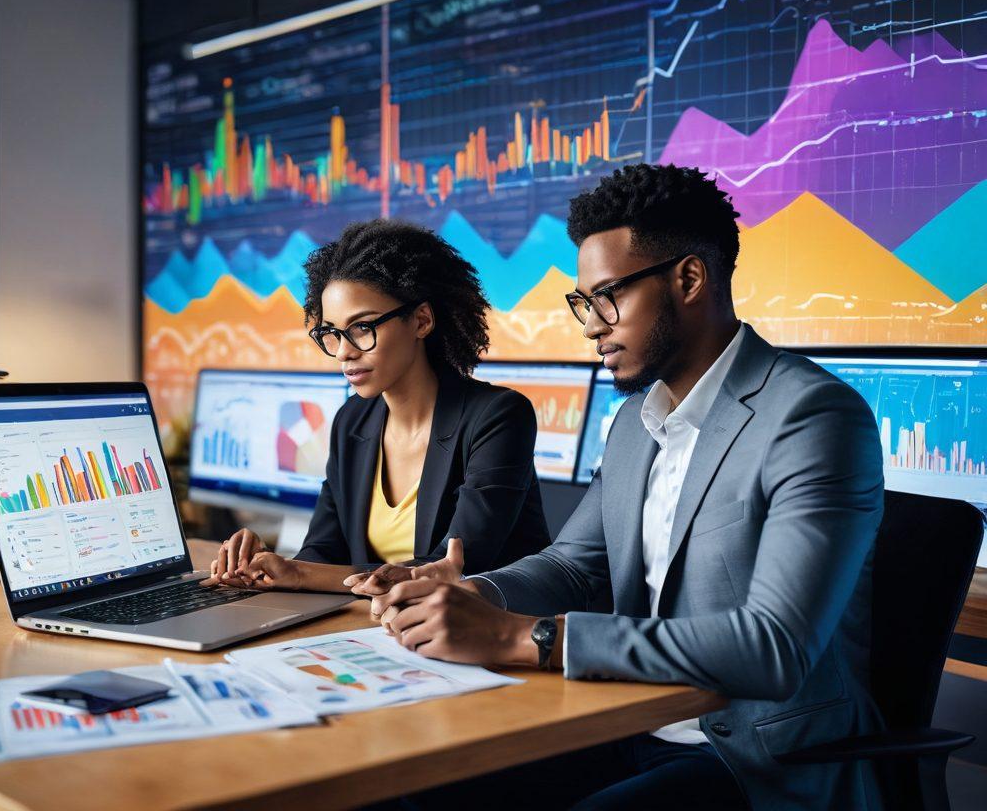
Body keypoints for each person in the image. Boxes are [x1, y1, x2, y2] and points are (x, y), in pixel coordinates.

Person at [366, 164, 885, 810]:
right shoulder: (639, 422)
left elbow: (772, 647)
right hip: (621, 720)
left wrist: (520, 637)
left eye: (607, 296)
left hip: (756, 760)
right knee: (414, 787)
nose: (591, 325)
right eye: (583, 302)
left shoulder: (811, 417)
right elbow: (578, 565)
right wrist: (470, 591)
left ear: (688, 278)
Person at [205, 219, 550, 595]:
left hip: (487, 633)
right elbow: (324, 550)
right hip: (378, 629)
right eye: (331, 333)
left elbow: (451, 568)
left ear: (421, 320)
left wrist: (302, 574)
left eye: (362, 327)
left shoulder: (497, 416)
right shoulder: (352, 421)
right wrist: (268, 565)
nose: (344, 351)